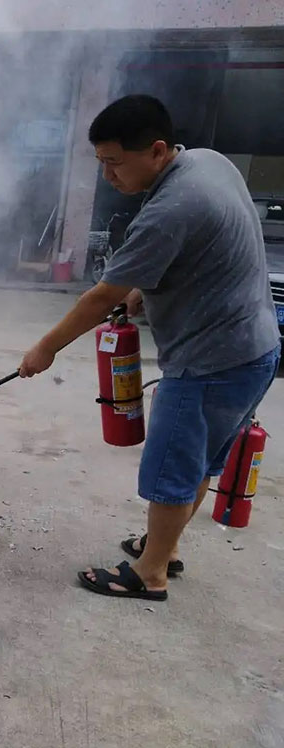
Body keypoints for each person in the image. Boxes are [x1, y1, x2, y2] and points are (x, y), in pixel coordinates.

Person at [19, 94, 280, 602]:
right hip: (256, 351)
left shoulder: (166, 212)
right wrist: (147, 287)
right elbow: (210, 245)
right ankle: (168, 546)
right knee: (200, 461)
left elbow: (101, 298)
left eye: (114, 163)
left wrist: (45, 349)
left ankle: (151, 571)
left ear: (158, 151)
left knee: (171, 466)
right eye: (100, 163)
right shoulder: (208, 162)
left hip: (211, 362)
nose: (107, 176)